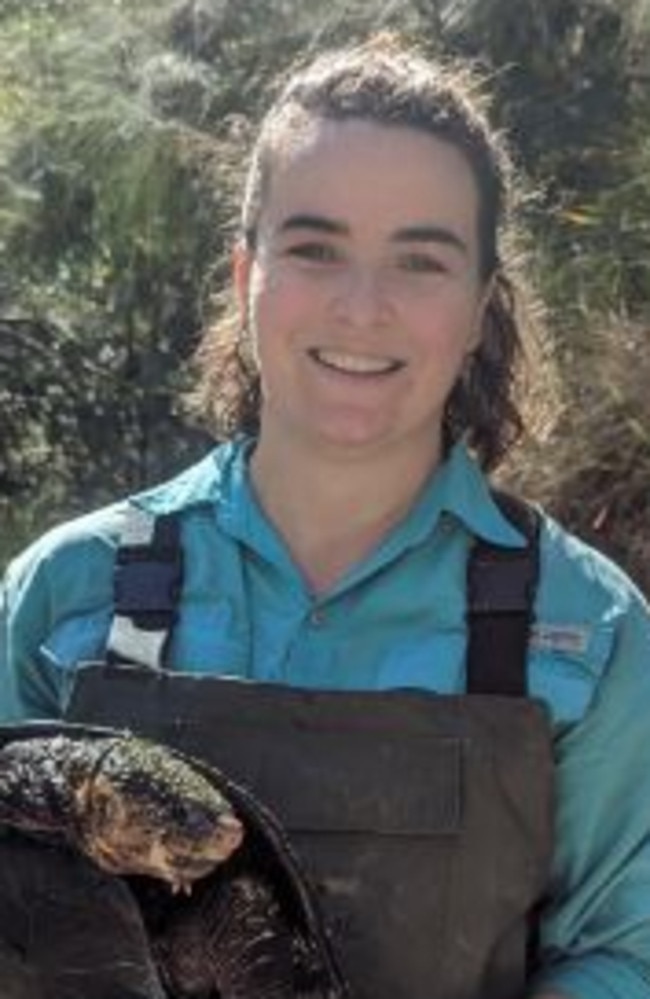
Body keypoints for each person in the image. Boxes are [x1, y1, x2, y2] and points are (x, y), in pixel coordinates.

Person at [2, 33, 650, 999]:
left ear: (479, 308)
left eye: (420, 262)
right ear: (242, 275)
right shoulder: (66, 592)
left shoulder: (588, 634)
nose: (362, 305)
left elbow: (626, 954)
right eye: (315, 248)